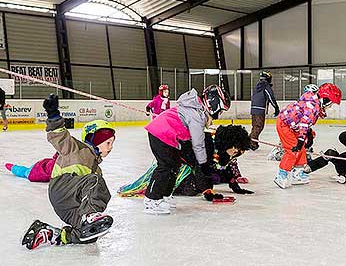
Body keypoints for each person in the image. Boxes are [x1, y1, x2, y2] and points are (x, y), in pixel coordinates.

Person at [22, 94, 116, 250]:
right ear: (95, 140)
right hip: (62, 187)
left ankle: (53, 234)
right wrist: (53, 115)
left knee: (89, 234)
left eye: (112, 143)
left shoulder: (97, 170)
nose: (110, 147)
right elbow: (59, 135)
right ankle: (89, 215)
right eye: (108, 142)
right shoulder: (76, 148)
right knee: (95, 181)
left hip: (69, 206)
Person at [143, 85, 231, 215]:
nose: (219, 114)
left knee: (175, 165)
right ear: (214, 104)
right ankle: (151, 199)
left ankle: (165, 195)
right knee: (165, 166)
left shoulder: (195, 108)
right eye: (221, 110)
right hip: (160, 134)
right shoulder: (196, 114)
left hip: (167, 136)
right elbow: (198, 143)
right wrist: (203, 164)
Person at [118, 125, 252, 198]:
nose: (235, 154)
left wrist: (236, 187)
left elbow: (226, 168)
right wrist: (207, 191)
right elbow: (201, 168)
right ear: (230, 144)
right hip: (180, 162)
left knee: (209, 178)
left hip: (194, 164)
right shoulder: (207, 142)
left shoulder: (225, 149)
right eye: (235, 151)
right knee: (192, 189)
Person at [274, 83, 342, 189]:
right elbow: (304, 123)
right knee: (293, 150)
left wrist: (307, 135)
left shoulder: (314, 102)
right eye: (331, 104)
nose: (330, 106)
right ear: (325, 99)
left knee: (301, 149)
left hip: (294, 126)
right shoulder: (312, 106)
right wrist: (301, 140)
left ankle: (298, 172)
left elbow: (308, 117)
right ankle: (281, 175)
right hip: (285, 124)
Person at [249, 71, 279, 150]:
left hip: (253, 108)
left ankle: (253, 142)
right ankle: (250, 142)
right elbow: (271, 97)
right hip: (260, 109)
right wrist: (276, 108)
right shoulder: (266, 86)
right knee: (259, 126)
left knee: (255, 126)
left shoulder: (257, 86)